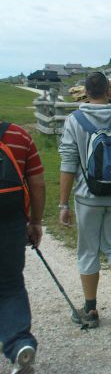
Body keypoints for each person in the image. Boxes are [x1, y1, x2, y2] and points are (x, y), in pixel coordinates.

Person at [58, 71, 111, 329]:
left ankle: (90, 310)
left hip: (88, 198)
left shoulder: (74, 121)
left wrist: (63, 204)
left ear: (85, 92)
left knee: (88, 251)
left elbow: (68, 163)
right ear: (109, 91)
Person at [0, 121, 45, 374]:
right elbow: (37, 183)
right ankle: (19, 344)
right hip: (10, 223)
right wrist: (36, 222)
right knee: (10, 285)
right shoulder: (18, 135)